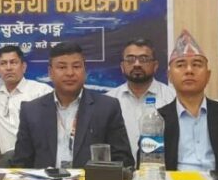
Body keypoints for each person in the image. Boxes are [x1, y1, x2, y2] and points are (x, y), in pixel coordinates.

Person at [13, 41, 134, 169]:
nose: (70, 73)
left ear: (85, 70)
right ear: (50, 72)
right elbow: (20, 164)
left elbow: (124, 161)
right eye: (62, 67)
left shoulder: (107, 107)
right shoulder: (31, 111)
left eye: (76, 66)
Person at [158, 29, 218, 172]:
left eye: (197, 65)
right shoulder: (157, 119)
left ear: (208, 75)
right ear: (169, 76)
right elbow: (146, 165)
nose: (189, 71)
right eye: (180, 65)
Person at [107, 38, 175, 162]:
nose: (137, 64)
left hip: (158, 169)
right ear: (122, 66)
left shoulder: (171, 98)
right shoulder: (108, 101)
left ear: (155, 66)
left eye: (143, 59)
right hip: (118, 171)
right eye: (130, 59)